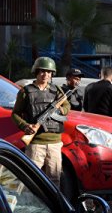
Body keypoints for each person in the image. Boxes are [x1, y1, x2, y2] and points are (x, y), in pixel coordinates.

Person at [11, 57, 71, 188]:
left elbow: (67, 106)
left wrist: (61, 109)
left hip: (55, 143)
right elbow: (15, 114)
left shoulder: (57, 90)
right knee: (31, 179)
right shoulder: (26, 91)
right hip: (36, 143)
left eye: (49, 72)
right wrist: (25, 126)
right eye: (42, 71)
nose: (46, 75)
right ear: (36, 72)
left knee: (54, 179)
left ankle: (54, 207)